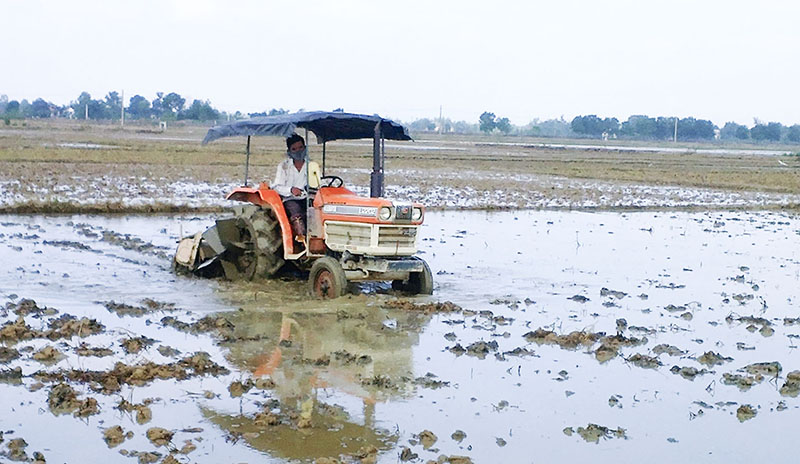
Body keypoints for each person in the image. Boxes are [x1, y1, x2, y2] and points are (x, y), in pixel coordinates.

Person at [272, 133, 312, 244]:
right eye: (294, 149)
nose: (298, 151)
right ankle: (302, 239)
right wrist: (291, 190)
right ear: (289, 151)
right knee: (296, 211)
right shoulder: (284, 166)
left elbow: (319, 182)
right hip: (290, 199)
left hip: (307, 197)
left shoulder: (311, 166)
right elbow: (277, 187)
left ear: (305, 148)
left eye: (300, 148)